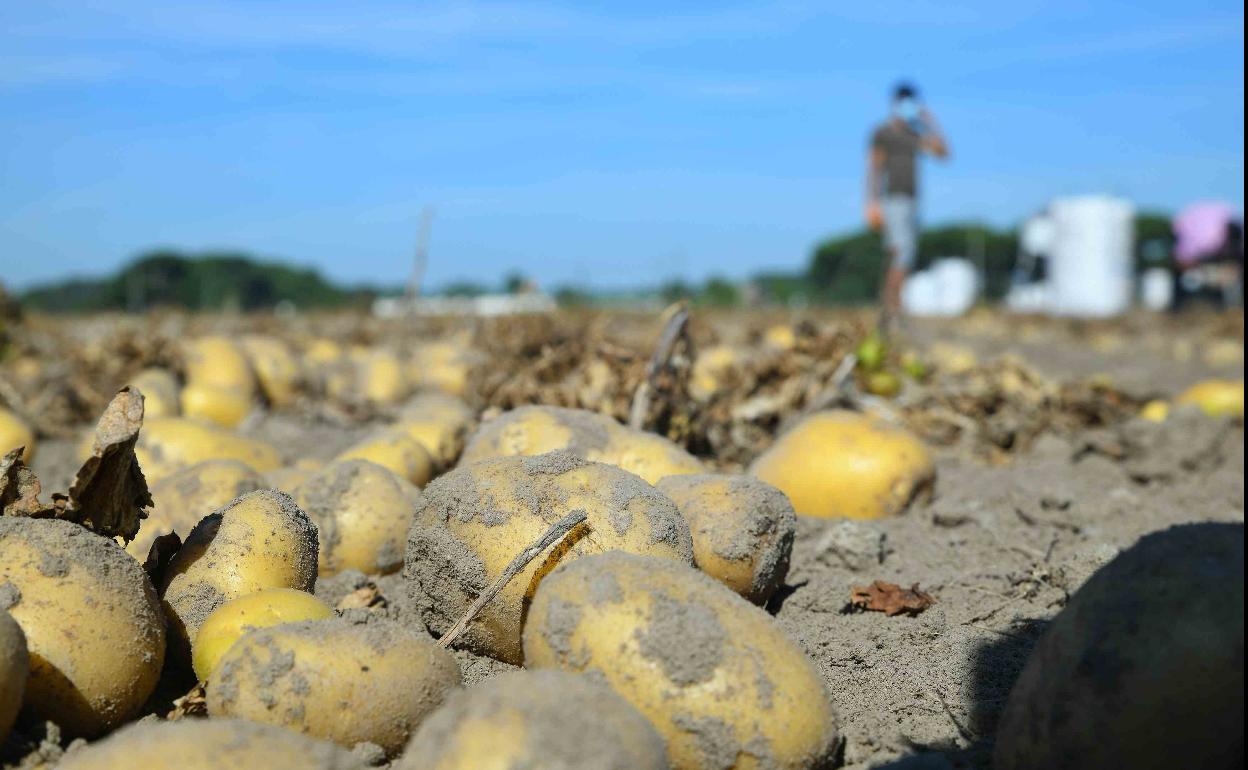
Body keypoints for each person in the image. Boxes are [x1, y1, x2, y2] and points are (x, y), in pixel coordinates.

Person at [865, 82, 950, 333]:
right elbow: (874, 168)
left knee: (901, 256)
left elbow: (943, 153)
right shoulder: (883, 132)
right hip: (893, 200)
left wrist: (931, 123)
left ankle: (889, 310)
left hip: (913, 201)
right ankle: (893, 310)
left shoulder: (916, 134)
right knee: (901, 253)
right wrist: (872, 203)